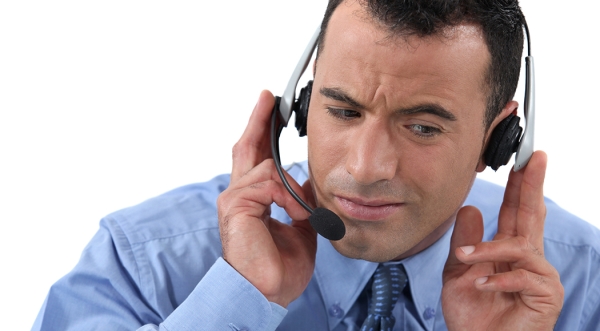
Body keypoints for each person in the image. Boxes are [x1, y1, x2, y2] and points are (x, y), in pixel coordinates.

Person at [32, 0, 600, 330]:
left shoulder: (583, 285)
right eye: (343, 110)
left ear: (497, 139)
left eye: (424, 127)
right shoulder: (142, 262)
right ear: (298, 108)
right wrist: (236, 300)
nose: (366, 165)